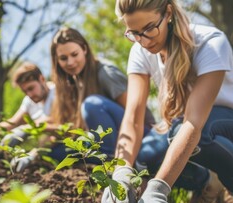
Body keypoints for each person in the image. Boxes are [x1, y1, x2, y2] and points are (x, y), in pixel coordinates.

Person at [101, 0, 233, 203]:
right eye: (134, 33)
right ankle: (208, 184)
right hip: (184, 125)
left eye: (149, 29)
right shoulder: (140, 51)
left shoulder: (210, 42)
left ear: (167, 13)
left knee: (183, 133)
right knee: (145, 155)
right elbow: (133, 119)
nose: (143, 40)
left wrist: (157, 190)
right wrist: (121, 171)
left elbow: (193, 123)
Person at [48, 26, 156, 161]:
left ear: (85, 50)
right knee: (55, 153)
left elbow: (136, 117)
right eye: (63, 58)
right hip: (108, 142)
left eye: (74, 54)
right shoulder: (74, 83)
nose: (70, 62)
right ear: (57, 61)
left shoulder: (105, 73)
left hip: (143, 137)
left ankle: (110, 162)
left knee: (92, 104)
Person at [0, 62, 55, 149]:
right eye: (25, 91)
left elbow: (56, 121)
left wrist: (27, 128)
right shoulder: (29, 101)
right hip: (44, 149)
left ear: (42, 79)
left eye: (31, 88)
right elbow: (13, 122)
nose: (29, 94)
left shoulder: (57, 93)